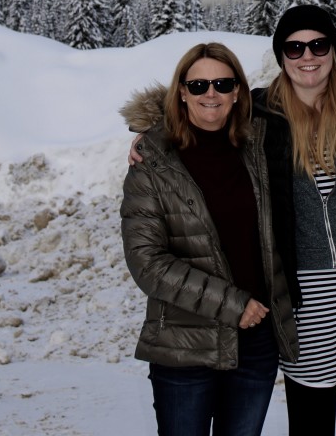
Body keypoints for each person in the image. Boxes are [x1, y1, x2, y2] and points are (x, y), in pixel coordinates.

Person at [127, 8, 336, 436]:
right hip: (304, 296)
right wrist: (153, 133)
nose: (307, 55)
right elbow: (207, 110)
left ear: (334, 50)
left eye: (319, 44)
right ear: (281, 56)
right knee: (311, 419)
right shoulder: (263, 115)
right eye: (294, 47)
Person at [120, 42, 298, 436]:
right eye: (198, 85)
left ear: (238, 91)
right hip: (184, 344)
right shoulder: (153, 162)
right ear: (181, 91)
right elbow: (147, 262)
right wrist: (234, 305)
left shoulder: (261, 145)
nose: (211, 93)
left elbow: (317, 92)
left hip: (256, 343)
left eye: (222, 83)